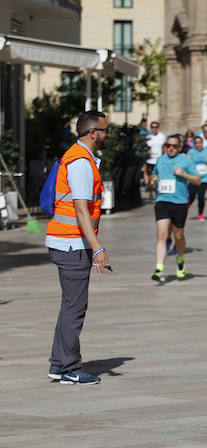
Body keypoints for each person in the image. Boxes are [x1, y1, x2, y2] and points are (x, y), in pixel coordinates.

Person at [45, 110, 111, 385]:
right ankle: (70, 368)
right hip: (71, 243)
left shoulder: (79, 157)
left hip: (67, 241)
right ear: (93, 133)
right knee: (75, 307)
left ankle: (58, 363)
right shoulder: (81, 163)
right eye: (106, 130)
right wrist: (97, 249)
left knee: (69, 306)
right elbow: (82, 211)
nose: (108, 135)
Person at [150, 135, 202, 280]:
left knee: (178, 236)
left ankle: (180, 260)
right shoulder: (160, 160)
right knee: (161, 235)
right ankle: (159, 269)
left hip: (179, 203)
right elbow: (154, 174)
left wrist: (184, 174)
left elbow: (197, 180)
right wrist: (153, 179)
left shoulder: (186, 160)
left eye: (174, 146)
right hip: (162, 201)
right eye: (168, 146)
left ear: (179, 147)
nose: (171, 148)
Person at [187, 135, 207, 220]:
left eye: (200, 143)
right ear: (194, 144)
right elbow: (186, 164)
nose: (198, 145)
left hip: (204, 178)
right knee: (191, 196)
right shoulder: (191, 152)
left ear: (202, 143)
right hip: (194, 178)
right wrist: (188, 159)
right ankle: (187, 206)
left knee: (201, 195)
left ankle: (200, 214)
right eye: (196, 143)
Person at [144, 121, 165, 195]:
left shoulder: (162, 136)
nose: (154, 129)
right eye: (153, 127)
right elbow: (145, 148)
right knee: (151, 178)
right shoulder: (148, 137)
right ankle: (150, 192)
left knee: (157, 177)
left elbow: (164, 147)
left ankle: (157, 190)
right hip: (150, 160)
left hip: (159, 160)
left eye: (156, 127)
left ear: (158, 128)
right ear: (150, 128)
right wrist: (147, 152)